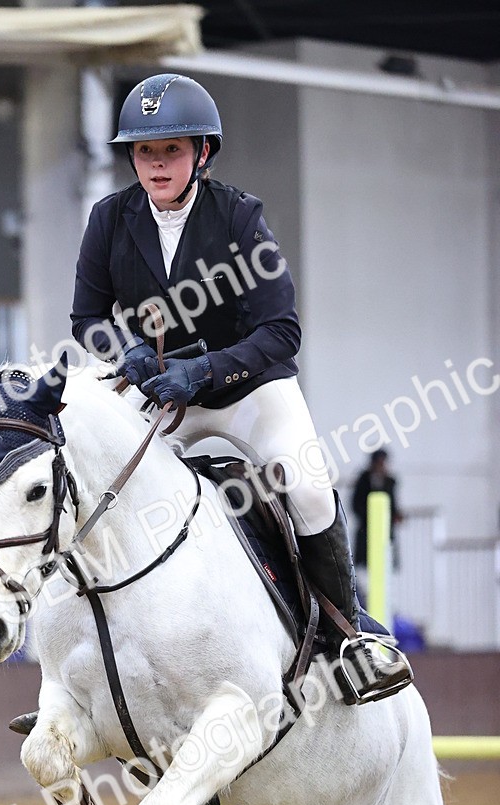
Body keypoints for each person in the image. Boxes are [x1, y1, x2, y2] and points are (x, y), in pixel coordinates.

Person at [68, 72, 412, 705]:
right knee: (97, 487)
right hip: (162, 398)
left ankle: (349, 638)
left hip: (247, 392)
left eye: (170, 149)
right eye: (145, 151)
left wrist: (202, 372)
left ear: (202, 152)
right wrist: (130, 352)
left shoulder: (239, 215)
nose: (156, 164)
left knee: (307, 485)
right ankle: (89, 660)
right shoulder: (110, 219)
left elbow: (281, 331)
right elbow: (87, 318)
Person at [352, 449, 403, 594]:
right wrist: (370, 516)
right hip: (366, 534)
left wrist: (396, 516)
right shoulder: (363, 479)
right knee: (364, 575)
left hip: (385, 534)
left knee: (385, 573)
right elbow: (356, 504)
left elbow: (393, 505)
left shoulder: (390, 481)